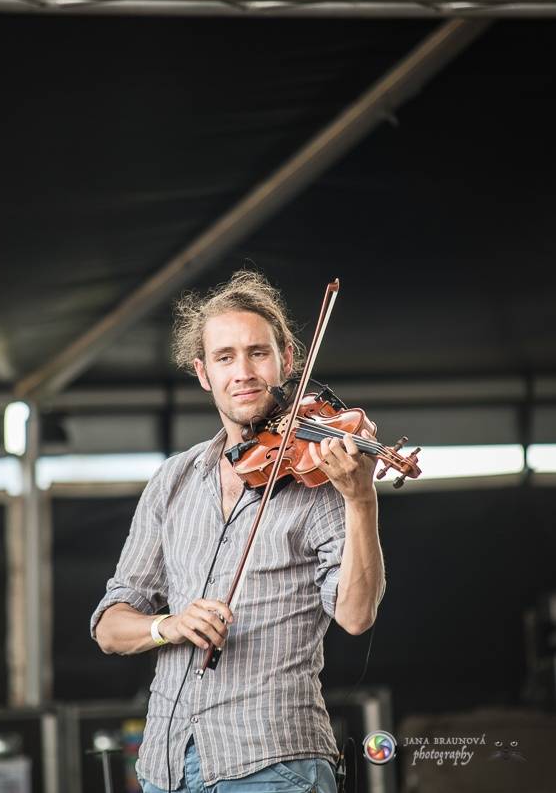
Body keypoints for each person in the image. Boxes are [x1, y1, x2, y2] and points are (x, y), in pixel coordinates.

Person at [90, 270, 385, 793]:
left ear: (287, 360)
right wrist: (168, 626)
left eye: (258, 353)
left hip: (274, 764)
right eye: (225, 357)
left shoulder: (323, 478)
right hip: (166, 765)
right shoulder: (172, 481)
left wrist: (360, 499)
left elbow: (356, 616)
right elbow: (110, 625)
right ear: (204, 374)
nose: (243, 372)